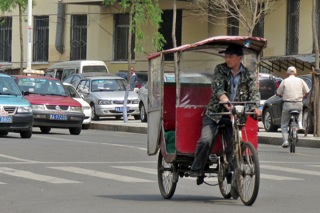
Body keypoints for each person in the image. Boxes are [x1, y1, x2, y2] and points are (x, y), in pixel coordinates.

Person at [190, 44, 261, 185]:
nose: (227, 59)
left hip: (235, 115)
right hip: (216, 113)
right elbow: (217, 88)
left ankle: (231, 170)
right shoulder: (220, 69)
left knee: (234, 145)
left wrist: (255, 108)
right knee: (206, 140)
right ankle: (198, 167)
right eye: (226, 56)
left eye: (230, 56)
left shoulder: (249, 75)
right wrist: (225, 101)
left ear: (239, 58)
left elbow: (254, 94)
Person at [276, 66, 310, 148]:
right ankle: (300, 125)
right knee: (300, 112)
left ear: (287, 74)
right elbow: (307, 91)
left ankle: (285, 141)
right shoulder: (300, 80)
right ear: (296, 73)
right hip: (298, 103)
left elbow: (278, 92)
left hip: (287, 104)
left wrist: (282, 95)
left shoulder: (285, 81)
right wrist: (303, 97)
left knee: (284, 124)